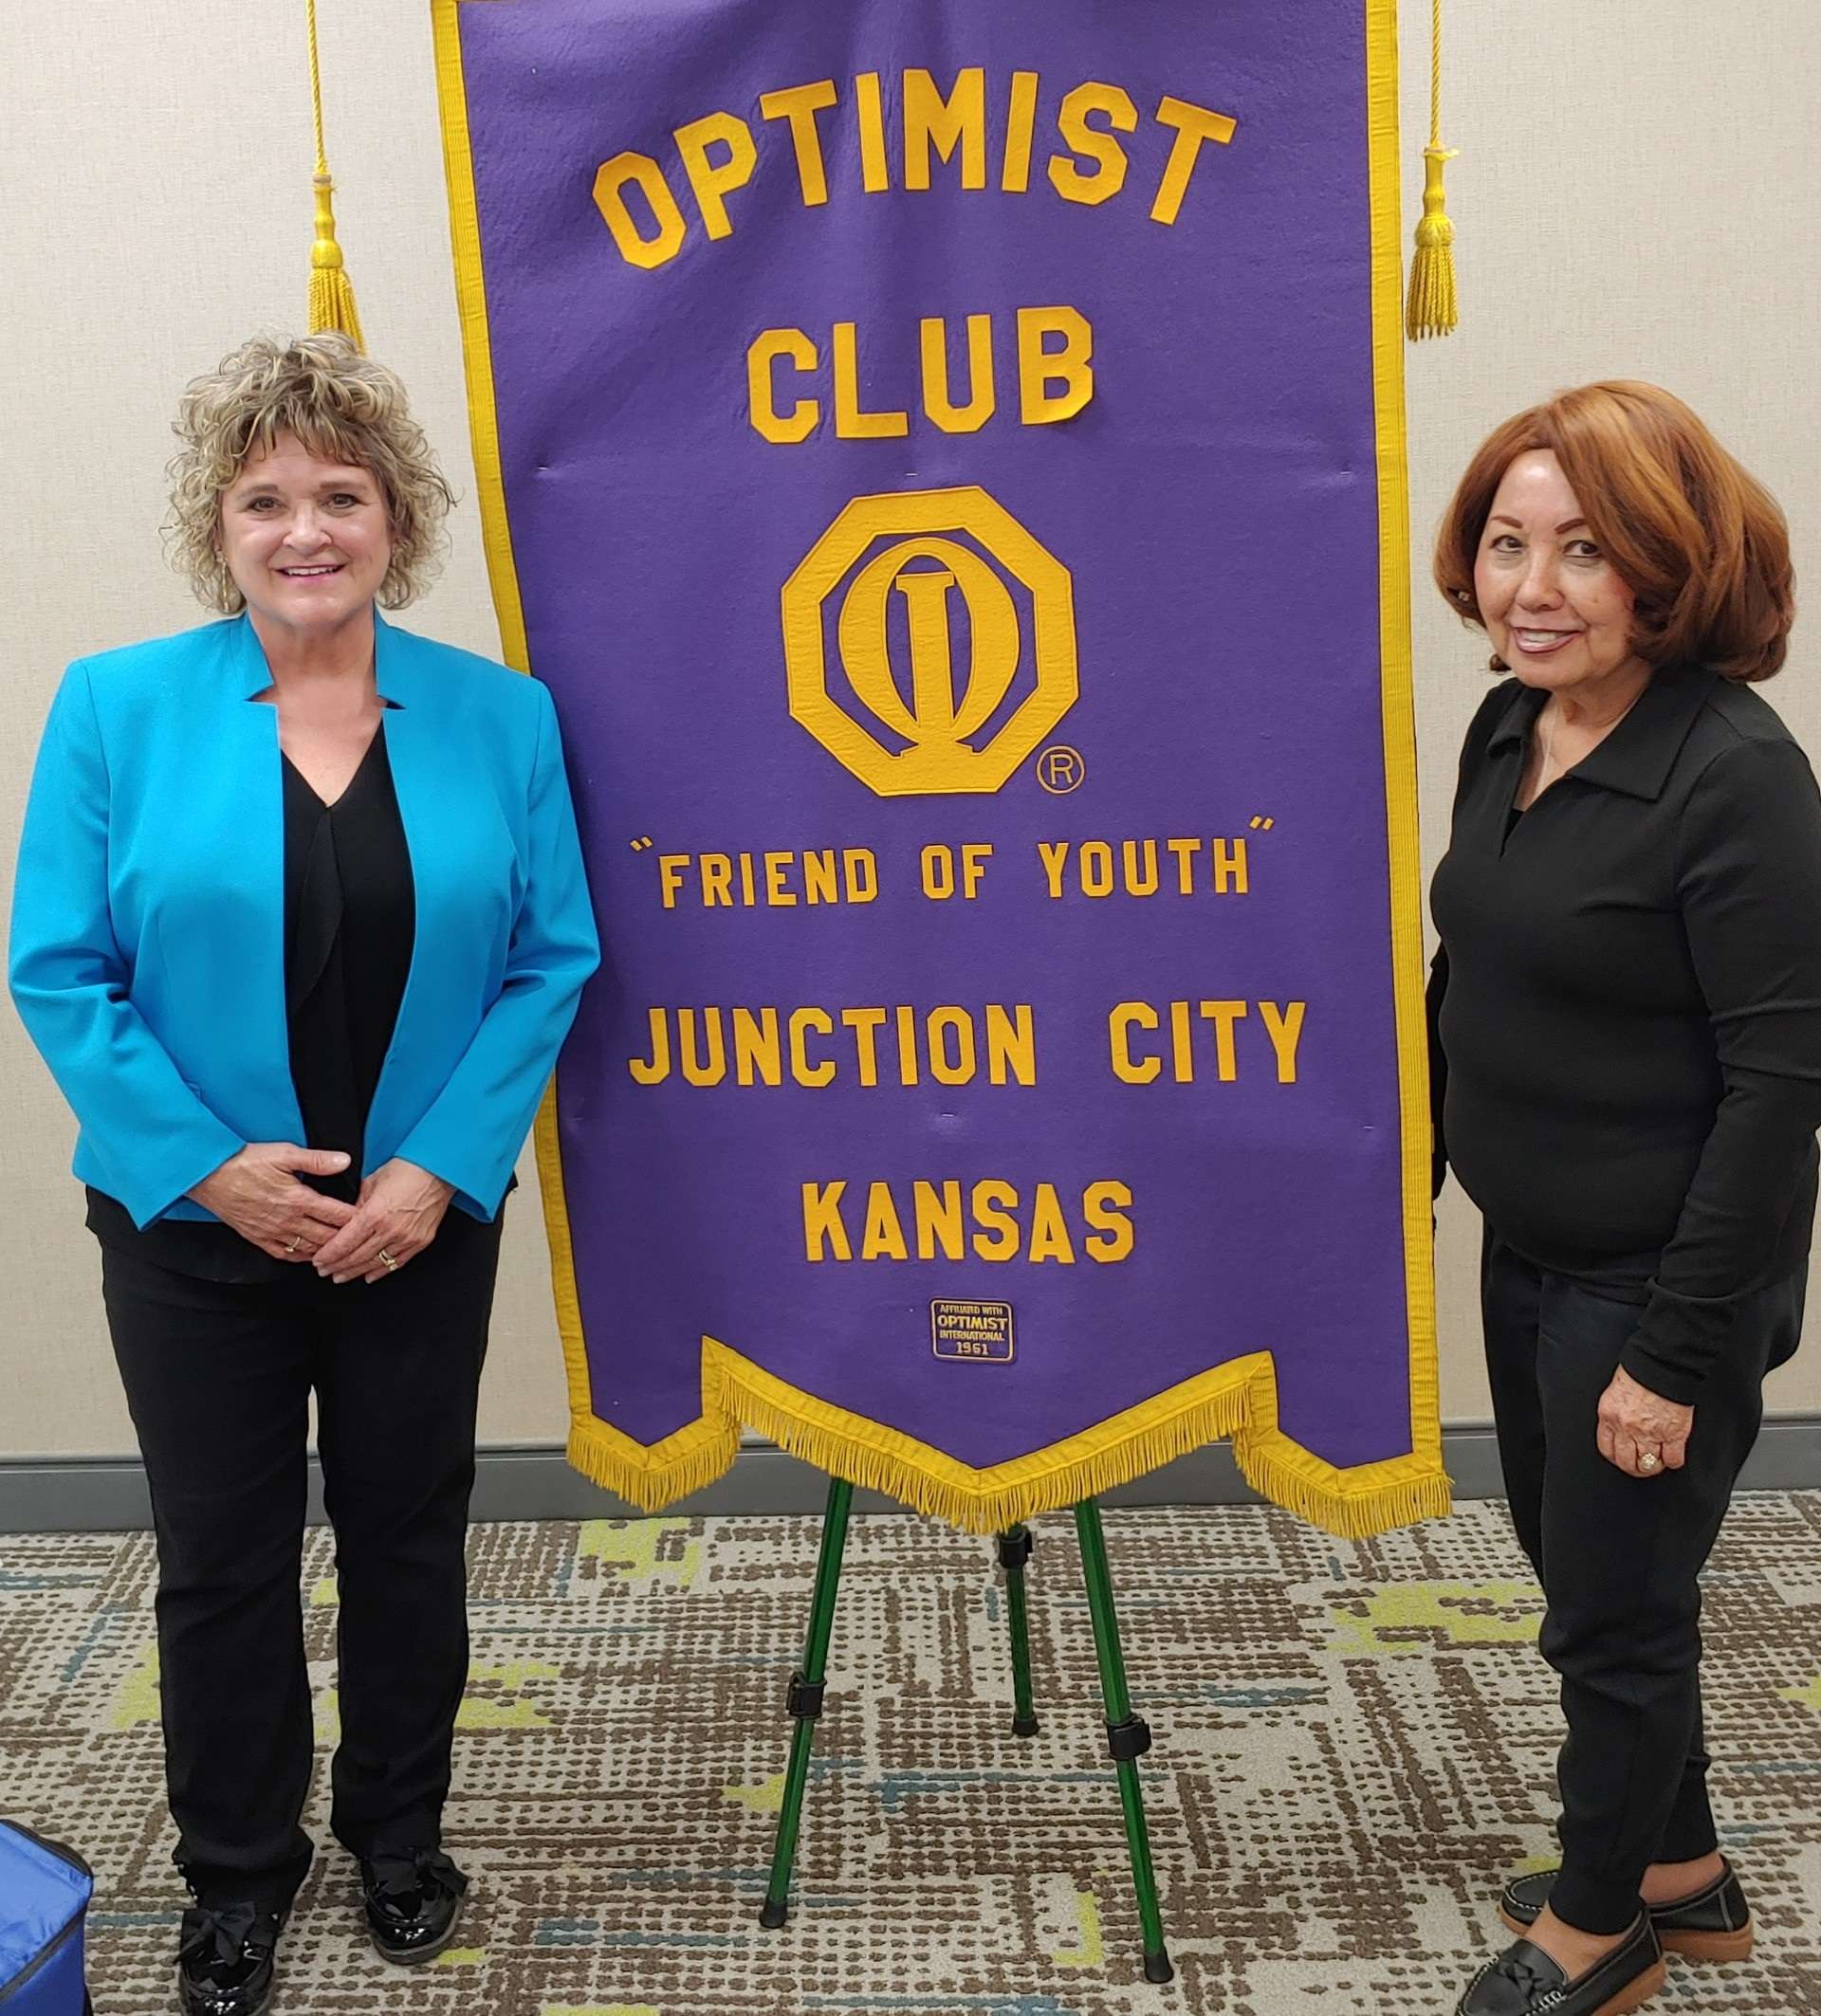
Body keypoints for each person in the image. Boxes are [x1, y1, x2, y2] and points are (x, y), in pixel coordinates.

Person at [9, 334, 600, 2016]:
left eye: (340, 493)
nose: (304, 528)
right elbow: (61, 968)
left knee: (409, 1538)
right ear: (222, 525)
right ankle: (236, 1878)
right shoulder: (117, 706)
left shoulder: (502, 715)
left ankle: (400, 1840)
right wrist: (214, 1171)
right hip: (194, 1234)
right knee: (224, 1553)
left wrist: (435, 1171)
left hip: (417, 1225)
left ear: (394, 520)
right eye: (265, 497)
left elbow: (550, 957)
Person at [1427, 381, 1816, 2016]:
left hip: (1655, 1282)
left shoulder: (1735, 776)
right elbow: (1481, 962)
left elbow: (1783, 1089)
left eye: (1584, 552)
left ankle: (1605, 1924)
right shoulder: (1515, 724)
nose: (1534, 587)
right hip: (1535, 1246)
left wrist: (1670, 1349)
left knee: (1614, 1613)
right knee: (1588, 1569)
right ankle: (1689, 1872)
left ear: (1669, 563)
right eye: (1508, 543)